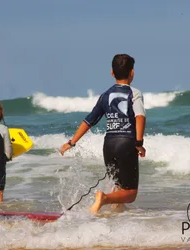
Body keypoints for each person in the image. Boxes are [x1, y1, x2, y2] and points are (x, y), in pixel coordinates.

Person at [60, 54, 146, 214]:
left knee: (119, 185)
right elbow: (140, 116)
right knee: (131, 193)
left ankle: (114, 215)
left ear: (112, 73)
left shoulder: (105, 96)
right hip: (126, 143)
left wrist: (71, 142)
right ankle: (104, 198)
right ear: (132, 73)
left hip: (109, 145)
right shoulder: (134, 93)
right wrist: (139, 143)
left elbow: (89, 121)